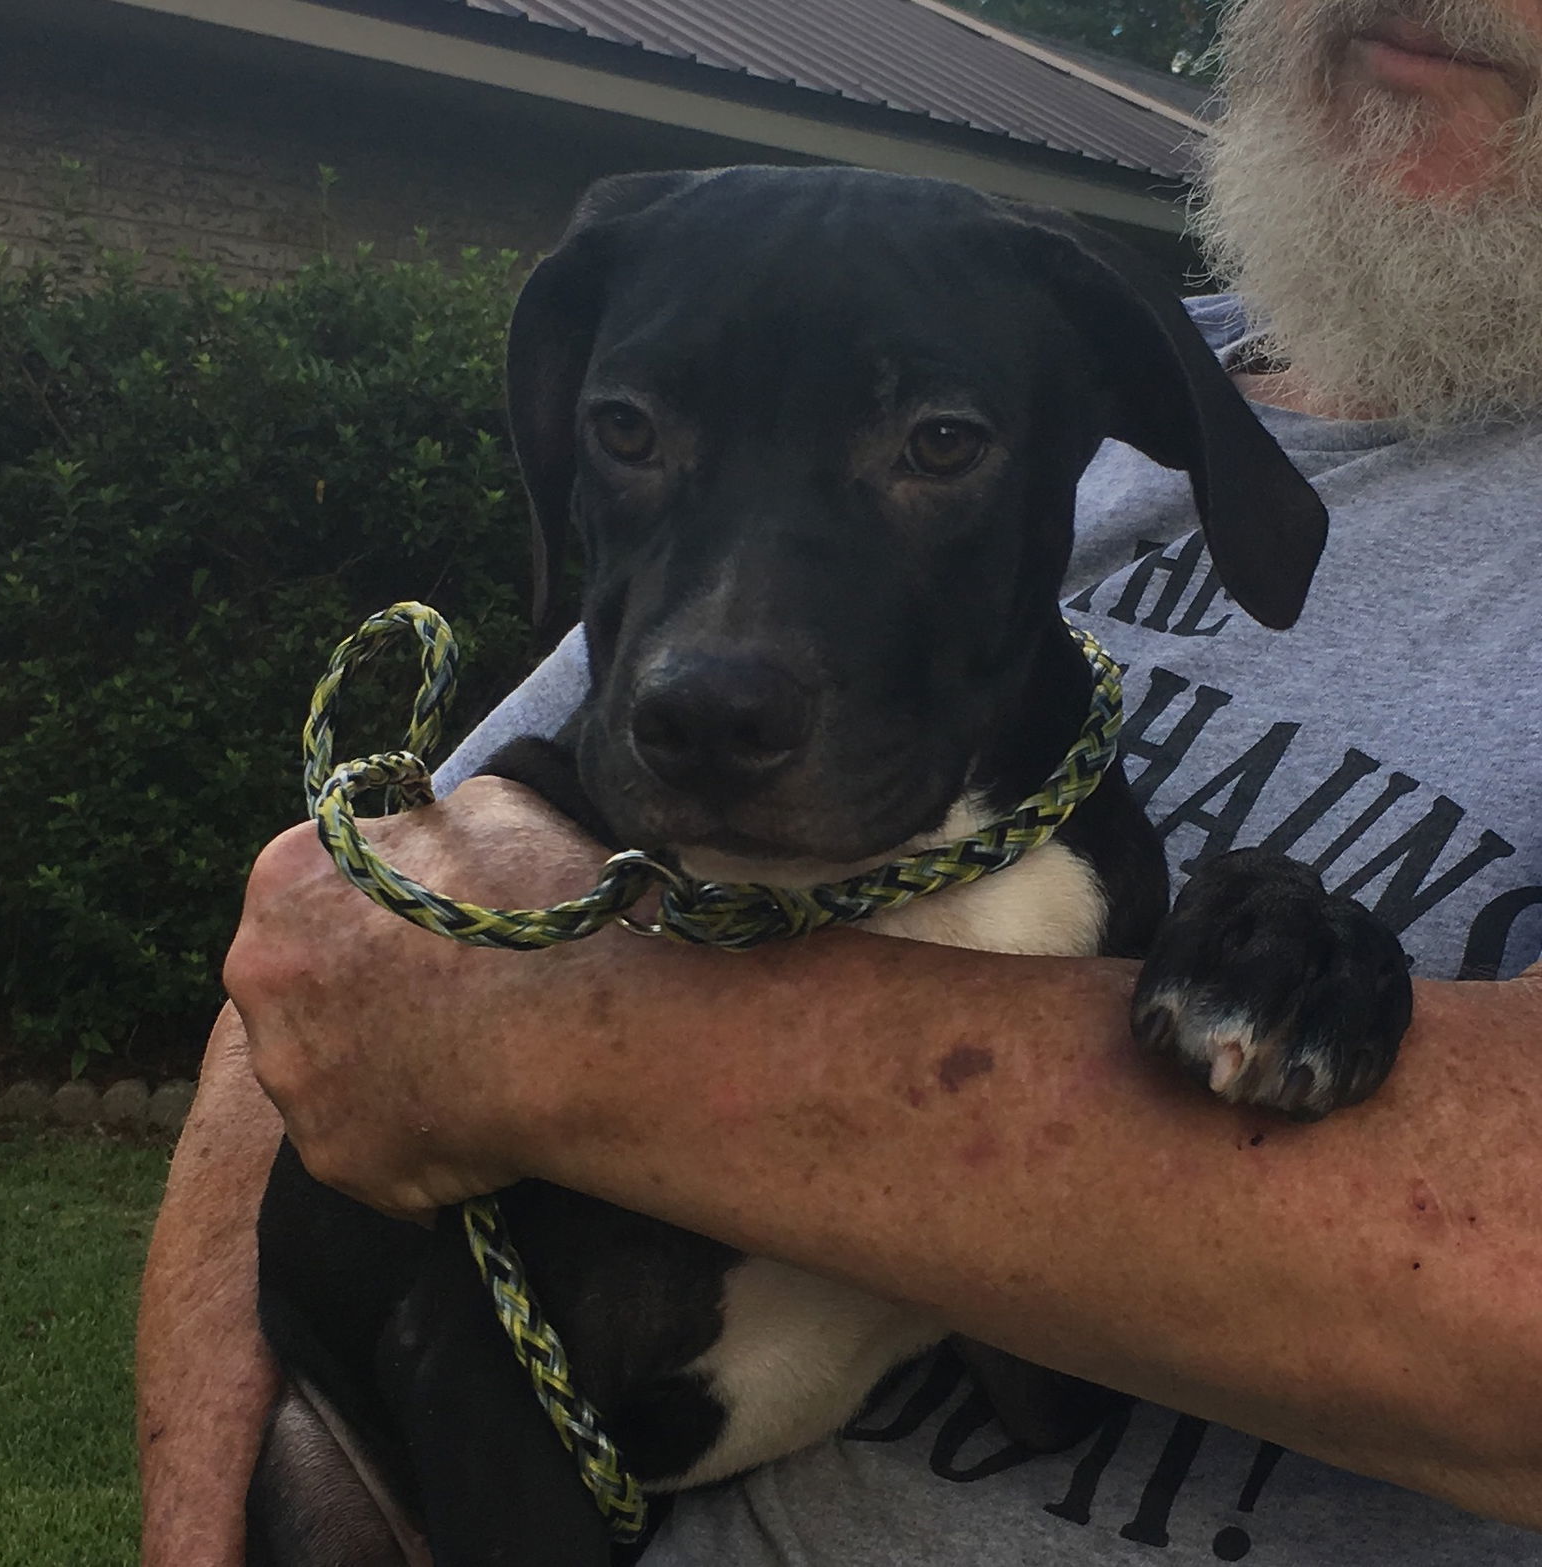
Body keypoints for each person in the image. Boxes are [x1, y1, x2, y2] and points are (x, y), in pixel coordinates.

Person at [137, 0, 1542, 1561]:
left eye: (934, 447)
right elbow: (323, 983)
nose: (716, 660)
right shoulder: (934, 329)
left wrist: (548, 1035)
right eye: (629, 432)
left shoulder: (1044, 347)